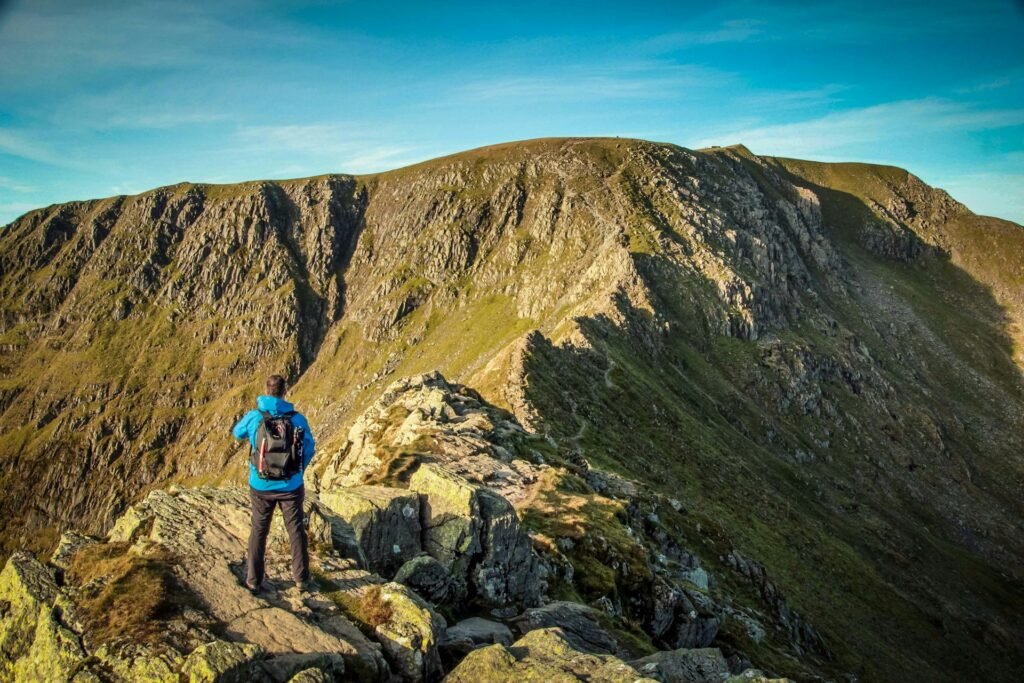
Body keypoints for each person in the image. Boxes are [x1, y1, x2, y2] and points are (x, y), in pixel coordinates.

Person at [232, 374, 316, 593]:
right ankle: (301, 578)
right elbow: (309, 447)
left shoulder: (255, 417)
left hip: (260, 485)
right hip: (290, 486)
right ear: (285, 390)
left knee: (259, 530)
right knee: (296, 529)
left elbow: (237, 433)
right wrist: (297, 471)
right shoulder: (297, 419)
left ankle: (253, 580)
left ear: (265, 390)